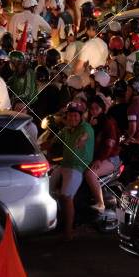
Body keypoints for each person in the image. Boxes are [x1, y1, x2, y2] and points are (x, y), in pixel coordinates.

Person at [44, 102, 93, 240]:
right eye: (70, 116)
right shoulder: (66, 130)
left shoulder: (86, 127)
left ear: (81, 117)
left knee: (66, 196)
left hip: (77, 167)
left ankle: (68, 231)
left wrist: (81, 141)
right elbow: (52, 142)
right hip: (64, 165)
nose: (73, 118)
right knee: (48, 191)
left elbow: (84, 136)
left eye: (76, 115)